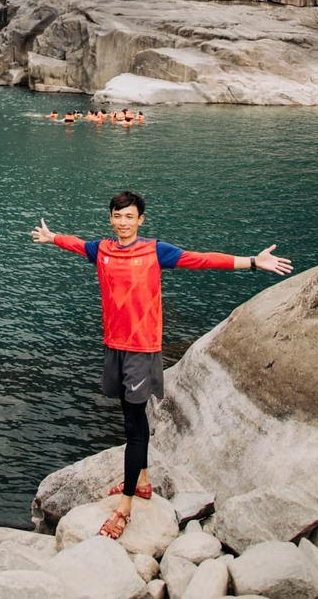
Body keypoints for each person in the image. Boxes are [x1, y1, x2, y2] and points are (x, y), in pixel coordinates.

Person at [31, 190, 293, 541]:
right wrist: (52, 238)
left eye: (130, 217)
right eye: (117, 216)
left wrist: (251, 262)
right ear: (110, 218)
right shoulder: (102, 250)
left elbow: (200, 260)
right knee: (129, 416)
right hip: (114, 346)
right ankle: (141, 480)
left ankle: (124, 507)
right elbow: (77, 244)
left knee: (135, 425)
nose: (123, 222)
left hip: (141, 348)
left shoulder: (155, 251)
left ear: (140, 220)